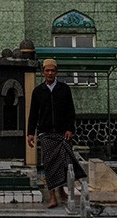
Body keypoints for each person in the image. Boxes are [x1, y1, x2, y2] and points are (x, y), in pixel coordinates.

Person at [27, 58, 87, 208]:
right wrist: (30, 133)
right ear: (43, 72)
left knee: (64, 164)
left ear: (56, 72)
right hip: (46, 134)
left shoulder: (64, 89)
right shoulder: (38, 91)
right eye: (47, 70)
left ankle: (62, 191)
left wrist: (70, 129)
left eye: (52, 70)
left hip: (62, 133)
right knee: (49, 165)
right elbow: (33, 113)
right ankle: (52, 196)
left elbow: (70, 111)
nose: (50, 73)